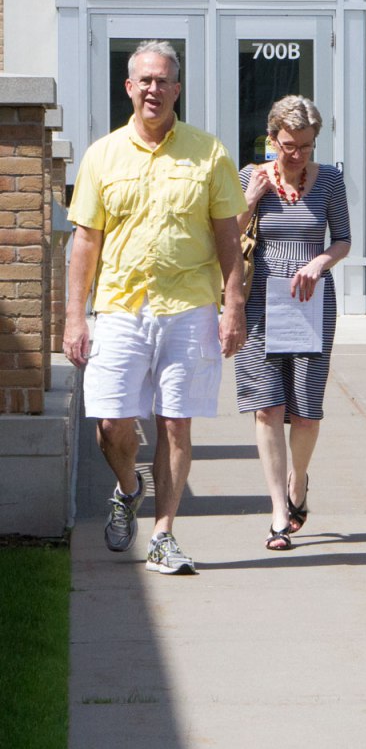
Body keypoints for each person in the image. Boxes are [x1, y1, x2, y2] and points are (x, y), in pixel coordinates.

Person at [64, 39, 248, 575]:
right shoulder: (102, 155)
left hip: (189, 306)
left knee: (176, 423)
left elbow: (227, 238)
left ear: (177, 89)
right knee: (110, 423)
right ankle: (128, 487)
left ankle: (164, 535)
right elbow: (85, 243)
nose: (153, 88)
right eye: (144, 80)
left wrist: (231, 304)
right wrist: (76, 316)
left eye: (163, 80)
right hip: (120, 305)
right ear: (129, 87)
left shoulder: (209, 152)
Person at [233, 96, 350, 550]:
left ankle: (298, 481)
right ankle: (279, 511)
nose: (296, 155)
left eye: (305, 145)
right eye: (288, 145)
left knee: (305, 410)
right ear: (271, 138)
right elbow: (227, 233)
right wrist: (252, 197)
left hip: (310, 302)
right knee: (268, 406)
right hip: (259, 302)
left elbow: (342, 239)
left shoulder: (331, 181)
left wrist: (320, 262)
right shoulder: (251, 176)